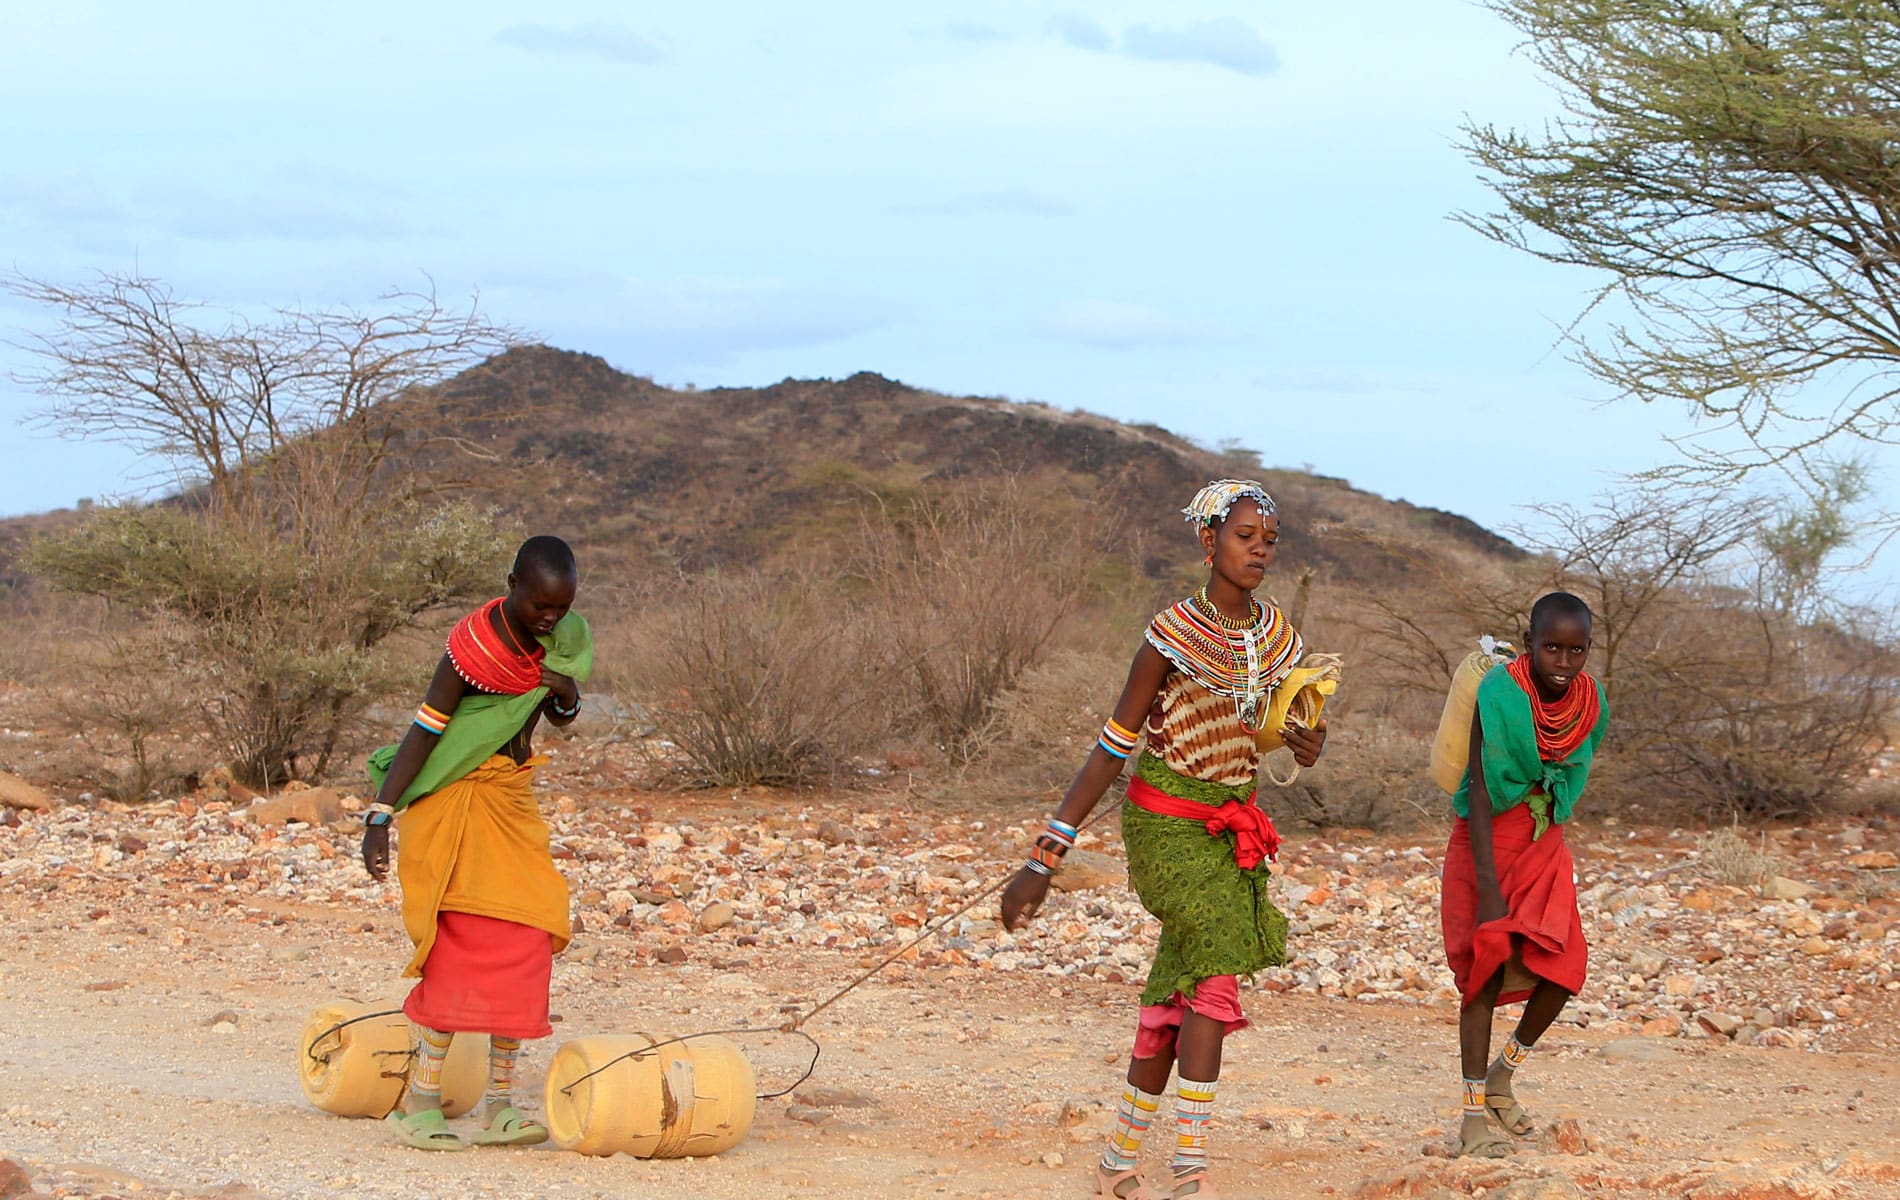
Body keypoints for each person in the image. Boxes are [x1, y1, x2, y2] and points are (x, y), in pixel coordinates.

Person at [1001, 480, 1329, 1200]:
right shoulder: (1171, 635)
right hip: (1165, 827)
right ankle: (1190, 1172)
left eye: (1269, 539)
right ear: (1209, 541)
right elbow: (1112, 745)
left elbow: (1285, 730)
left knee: (1177, 991)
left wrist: (1307, 746)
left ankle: (1119, 1161)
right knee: (1214, 971)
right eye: (1245, 537)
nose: (1260, 550)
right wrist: (1044, 857)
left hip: (1232, 831)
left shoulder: (1278, 639)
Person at [360, 534, 592, 1152]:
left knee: (528, 935)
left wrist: (567, 695)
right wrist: (381, 813)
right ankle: (423, 1102)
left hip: (512, 799)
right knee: (460, 943)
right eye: (542, 605)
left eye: (562, 607)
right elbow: (425, 731)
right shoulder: (471, 655)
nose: (551, 617)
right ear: (512, 584)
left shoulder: (557, 649)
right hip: (457, 800)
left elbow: (560, 715)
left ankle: (501, 1107)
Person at [1439, 591, 1607, 1158]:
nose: (1563, 662)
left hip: (1543, 839)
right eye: (1552, 648)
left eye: (1576, 650)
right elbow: (1481, 790)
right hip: (1486, 840)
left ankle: (1501, 1076)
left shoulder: (1590, 701)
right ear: (1530, 643)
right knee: (1484, 971)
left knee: (1564, 966)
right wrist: (1488, 888)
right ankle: (1470, 1120)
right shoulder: (1500, 692)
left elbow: (1568, 774)